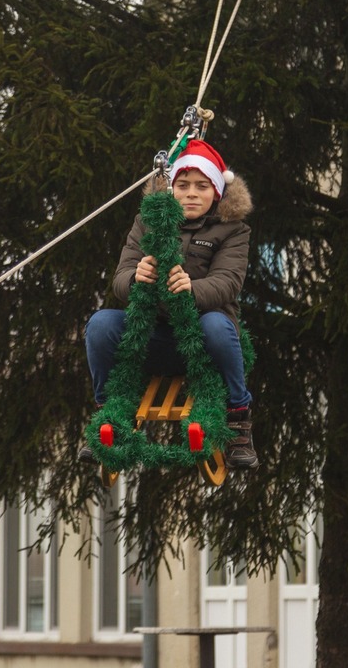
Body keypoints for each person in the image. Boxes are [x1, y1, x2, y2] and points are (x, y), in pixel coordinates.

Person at [83, 138, 257, 467]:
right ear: (171, 188)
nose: (192, 193)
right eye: (183, 184)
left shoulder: (233, 231)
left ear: (217, 192)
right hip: (153, 337)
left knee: (216, 325)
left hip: (204, 340)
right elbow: (120, 277)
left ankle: (238, 422)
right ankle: (109, 414)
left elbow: (228, 282)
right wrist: (137, 277)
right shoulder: (147, 222)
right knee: (101, 324)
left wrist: (191, 288)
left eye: (202, 186)